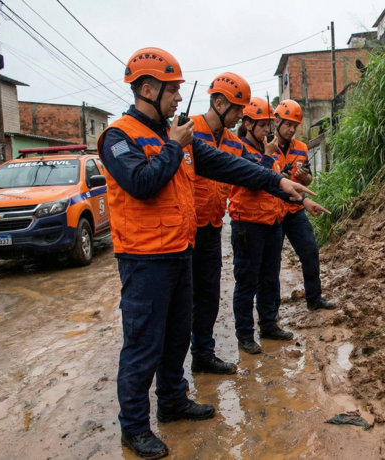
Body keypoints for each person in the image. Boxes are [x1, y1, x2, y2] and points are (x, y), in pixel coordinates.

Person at [98, 48, 313, 460]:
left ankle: (173, 399)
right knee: (144, 344)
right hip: (144, 260)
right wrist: (174, 149)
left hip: (181, 249)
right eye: (172, 90)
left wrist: (278, 184)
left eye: (179, 90)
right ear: (147, 88)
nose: (179, 98)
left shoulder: (174, 136)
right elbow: (141, 184)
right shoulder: (119, 136)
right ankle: (134, 428)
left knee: (179, 333)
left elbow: (228, 167)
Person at [230, 97, 328, 354]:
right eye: (263, 126)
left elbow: (276, 185)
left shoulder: (270, 150)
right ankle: (245, 335)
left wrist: (304, 201)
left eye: (267, 125)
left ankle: (268, 325)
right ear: (248, 124)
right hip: (247, 224)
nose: (267, 131)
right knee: (247, 281)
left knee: (269, 277)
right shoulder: (239, 150)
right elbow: (254, 181)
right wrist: (267, 157)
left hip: (271, 220)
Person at [187, 72, 250, 376]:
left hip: (212, 227)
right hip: (183, 231)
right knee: (181, 299)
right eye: (237, 109)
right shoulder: (187, 131)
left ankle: (202, 354)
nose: (240, 116)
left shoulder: (235, 145)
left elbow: (254, 172)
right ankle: (170, 369)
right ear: (218, 102)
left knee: (209, 294)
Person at [273, 100, 336, 311]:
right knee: (271, 263)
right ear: (277, 121)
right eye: (288, 124)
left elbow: (307, 181)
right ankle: (271, 312)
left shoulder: (301, 148)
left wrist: (305, 176)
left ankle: (315, 300)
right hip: (273, 212)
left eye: (295, 126)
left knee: (310, 251)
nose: (291, 129)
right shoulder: (266, 147)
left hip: (295, 210)